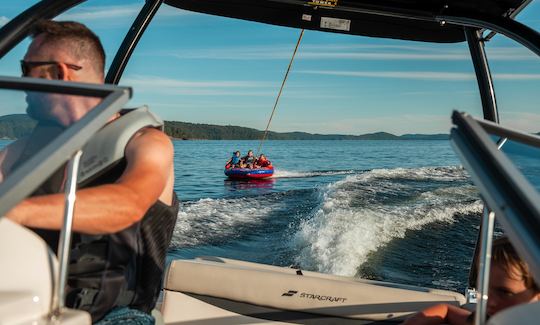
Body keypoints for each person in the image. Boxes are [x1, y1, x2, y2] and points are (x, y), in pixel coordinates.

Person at [1, 20, 178, 324]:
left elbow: (128, 203)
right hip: (29, 302)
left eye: (26, 68)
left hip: (119, 314)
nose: (21, 80)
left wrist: (11, 210)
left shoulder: (147, 143)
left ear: (58, 73)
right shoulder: (18, 152)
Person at [402, 237, 540, 325]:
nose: (488, 301)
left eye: (504, 292)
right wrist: (416, 320)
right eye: (483, 288)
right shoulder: (486, 319)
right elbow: (447, 310)